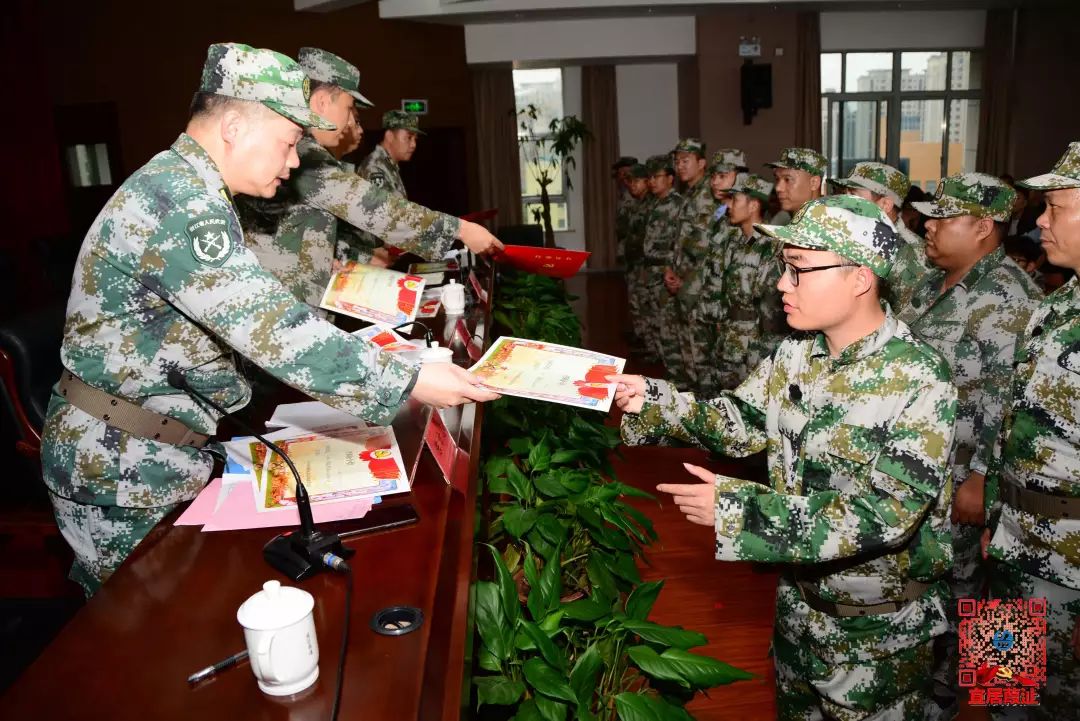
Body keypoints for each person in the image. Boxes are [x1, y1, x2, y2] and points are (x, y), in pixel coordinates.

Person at [39, 44, 499, 597]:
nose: (295, 160)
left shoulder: (194, 189)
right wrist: (410, 379)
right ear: (234, 126)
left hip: (155, 453)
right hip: (118, 467)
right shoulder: (177, 202)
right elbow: (268, 324)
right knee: (140, 648)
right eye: (286, 141)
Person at [611, 195, 957, 720]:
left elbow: (887, 515)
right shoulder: (798, 355)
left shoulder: (920, 379)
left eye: (798, 271)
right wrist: (655, 400)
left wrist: (742, 512)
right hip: (799, 610)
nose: (781, 285)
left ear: (860, 278)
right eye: (783, 269)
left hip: (875, 635)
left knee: (1014, 692)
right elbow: (743, 421)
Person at [902, 173, 1043, 714]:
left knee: (985, 607)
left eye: (944, 217)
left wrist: (982, 478)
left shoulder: (1012, 299)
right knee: (940, 595)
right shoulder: (928, 284)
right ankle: (941, 694)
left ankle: (964, 697)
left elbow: (1019, 402)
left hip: (972, 483)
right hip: (924, 472)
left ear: (984, 226)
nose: (929, 226)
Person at [237, 47, 502, 308]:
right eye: (349, 108)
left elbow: (294, 230)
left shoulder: (297, 149)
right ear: (321, 102)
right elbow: (376, 207)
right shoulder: (305, 155)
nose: (351, 121)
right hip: (284, 309)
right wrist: (461, 230)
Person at [985, 142, 1080, 720]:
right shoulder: (1054, 307)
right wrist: (998, 517)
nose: (1039, 220)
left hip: (1071, 565)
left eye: (1056, 206)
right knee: (1003, 693)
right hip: (1015, 543)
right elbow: (1012, 427)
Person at [711, 174, 785, 391]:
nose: (729, 206)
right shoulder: (733, 241)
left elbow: (771, 306)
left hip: (754, 342)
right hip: (729, 336)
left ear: (753, 205)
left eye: (735, 200)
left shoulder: (771, 246)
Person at [831, 161, 931, 312]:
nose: (844, 202)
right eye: (845, 193)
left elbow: (906, 320)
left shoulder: (914, 255)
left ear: (885, 205)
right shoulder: (853, 237)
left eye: (853, 195)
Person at [665, 138, 717, 391]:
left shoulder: (707, 196)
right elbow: (682, 240)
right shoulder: (691, 194)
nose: (680, 166)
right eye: (677, 161)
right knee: (687, 348)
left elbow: (705, 249)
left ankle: (704, 407)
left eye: (686, 161)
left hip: (698, 285)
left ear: (702, 163)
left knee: (700, 353)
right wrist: (672, 271)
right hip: (683, 282)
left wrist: (684, 279)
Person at [640, 155, 682, 366]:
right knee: (653, 319)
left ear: (670, 178)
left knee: (667, 324)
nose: (652, 181)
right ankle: (660, 361)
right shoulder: (656, 204)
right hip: (650, 270)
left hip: (665, 272)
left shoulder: (677, 205)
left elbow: (678, 243)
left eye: (657, 176)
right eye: (650, 177)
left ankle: (672, 368)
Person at [621, 163, 654, 359]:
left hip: (645, 263)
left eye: (636, 181)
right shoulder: (638, 203)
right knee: (637, 302)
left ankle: (650, 344)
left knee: (645, 303)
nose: (632, 185)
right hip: (635, 261)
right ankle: (642, 337)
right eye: (630, 181)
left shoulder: (650, 204)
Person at [358, 110, 421, 197]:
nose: (413, 145)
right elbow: (382, 208)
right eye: (409, 137)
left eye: (415, 139)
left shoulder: (388, 164)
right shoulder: (375, 168)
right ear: (389, 136)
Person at [765, 147, 827, 225]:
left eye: (787, 179)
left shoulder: (831, 226)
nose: (778, 188)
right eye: (777, 179)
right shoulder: (790, 222)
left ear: (814, 183)